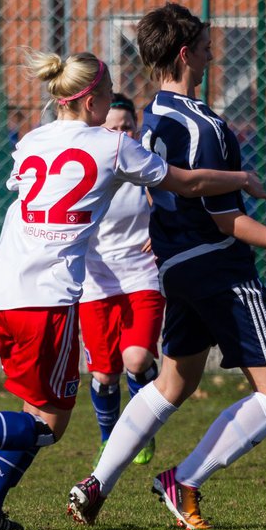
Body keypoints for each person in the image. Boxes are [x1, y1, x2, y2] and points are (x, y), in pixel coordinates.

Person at [0, 49, 266, 530]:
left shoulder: (32, 140)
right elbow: (188, 181)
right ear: (93, 100)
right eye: (111, 91)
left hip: (3, 292)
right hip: (46, 300)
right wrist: (243, 178)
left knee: (34, 409)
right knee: (48, 427)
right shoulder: (112, 145)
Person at [67, 2, 266, 530]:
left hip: (176, 269)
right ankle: (185, 480)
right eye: (204, 44)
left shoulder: (153, 118)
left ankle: (96, 482)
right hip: (221, 271)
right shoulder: (205, 127)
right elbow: (227, 224)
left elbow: (167, 194)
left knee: (174, 381)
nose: (212, 51)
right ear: (185, 53)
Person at [79, 92, 162, 467]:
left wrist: (163, 231)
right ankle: (108, 437)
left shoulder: (146, 164)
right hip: (96, 281)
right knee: (104, 374)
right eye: (112, 128)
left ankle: (142, 430)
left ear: (136, 129)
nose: (121, 135)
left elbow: (173, 200)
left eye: (127, 127)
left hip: (141, 275)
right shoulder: (89, 168)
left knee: (137, 358)